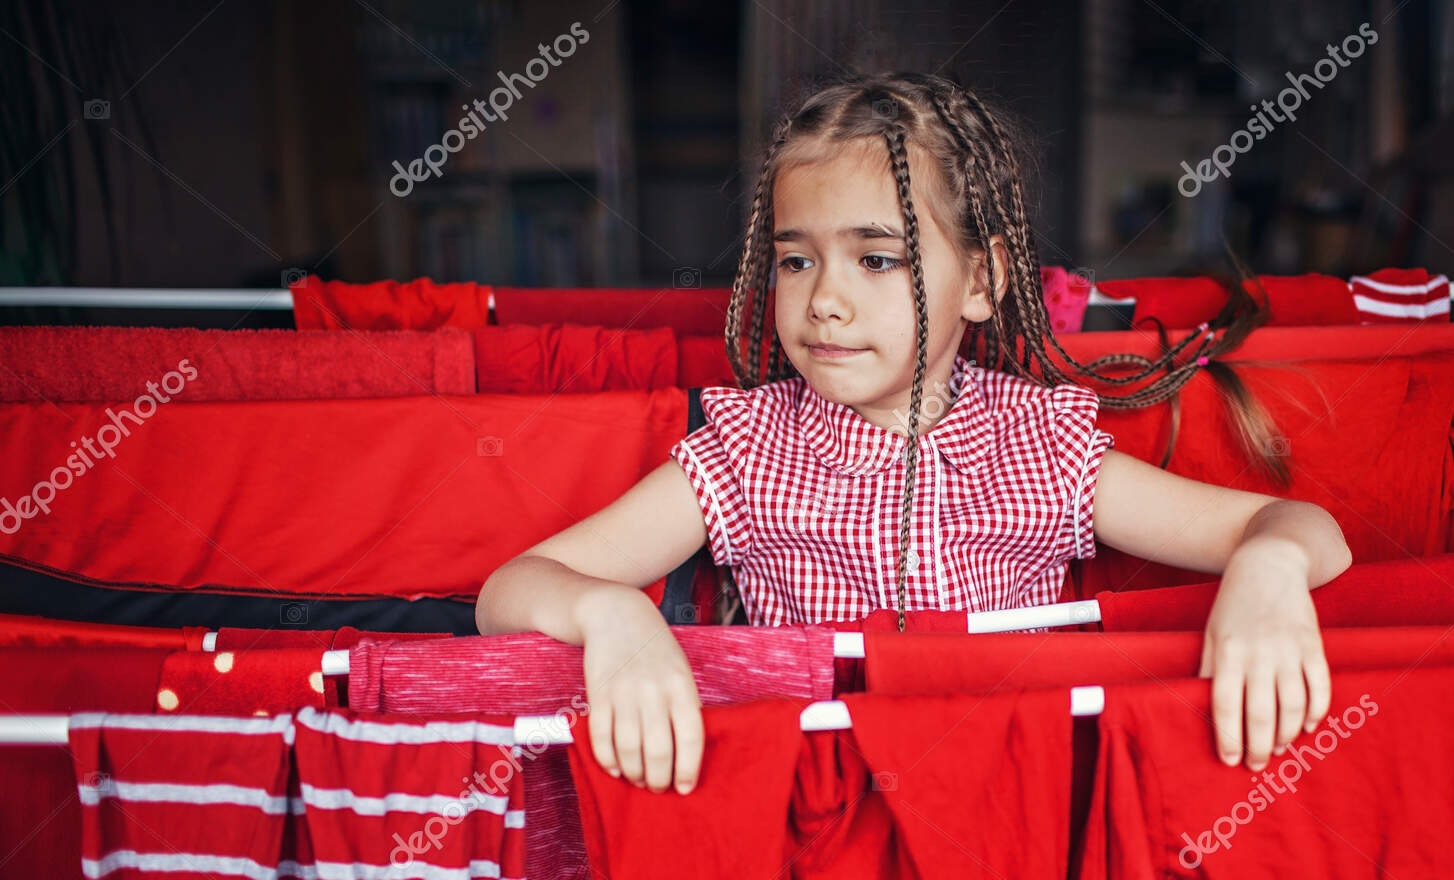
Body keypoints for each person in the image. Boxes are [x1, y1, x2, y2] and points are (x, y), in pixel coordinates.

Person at [476, 71, 1352, 796]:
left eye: (876, 257)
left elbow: (1302, 530)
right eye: (795, 259)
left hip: (1015, 842)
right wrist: (614, 617)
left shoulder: (1040, 445)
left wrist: (1268, 569)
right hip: (814, 851)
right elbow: (508, 591)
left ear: (981, 279)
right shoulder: (746, 453)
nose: (824, 297)